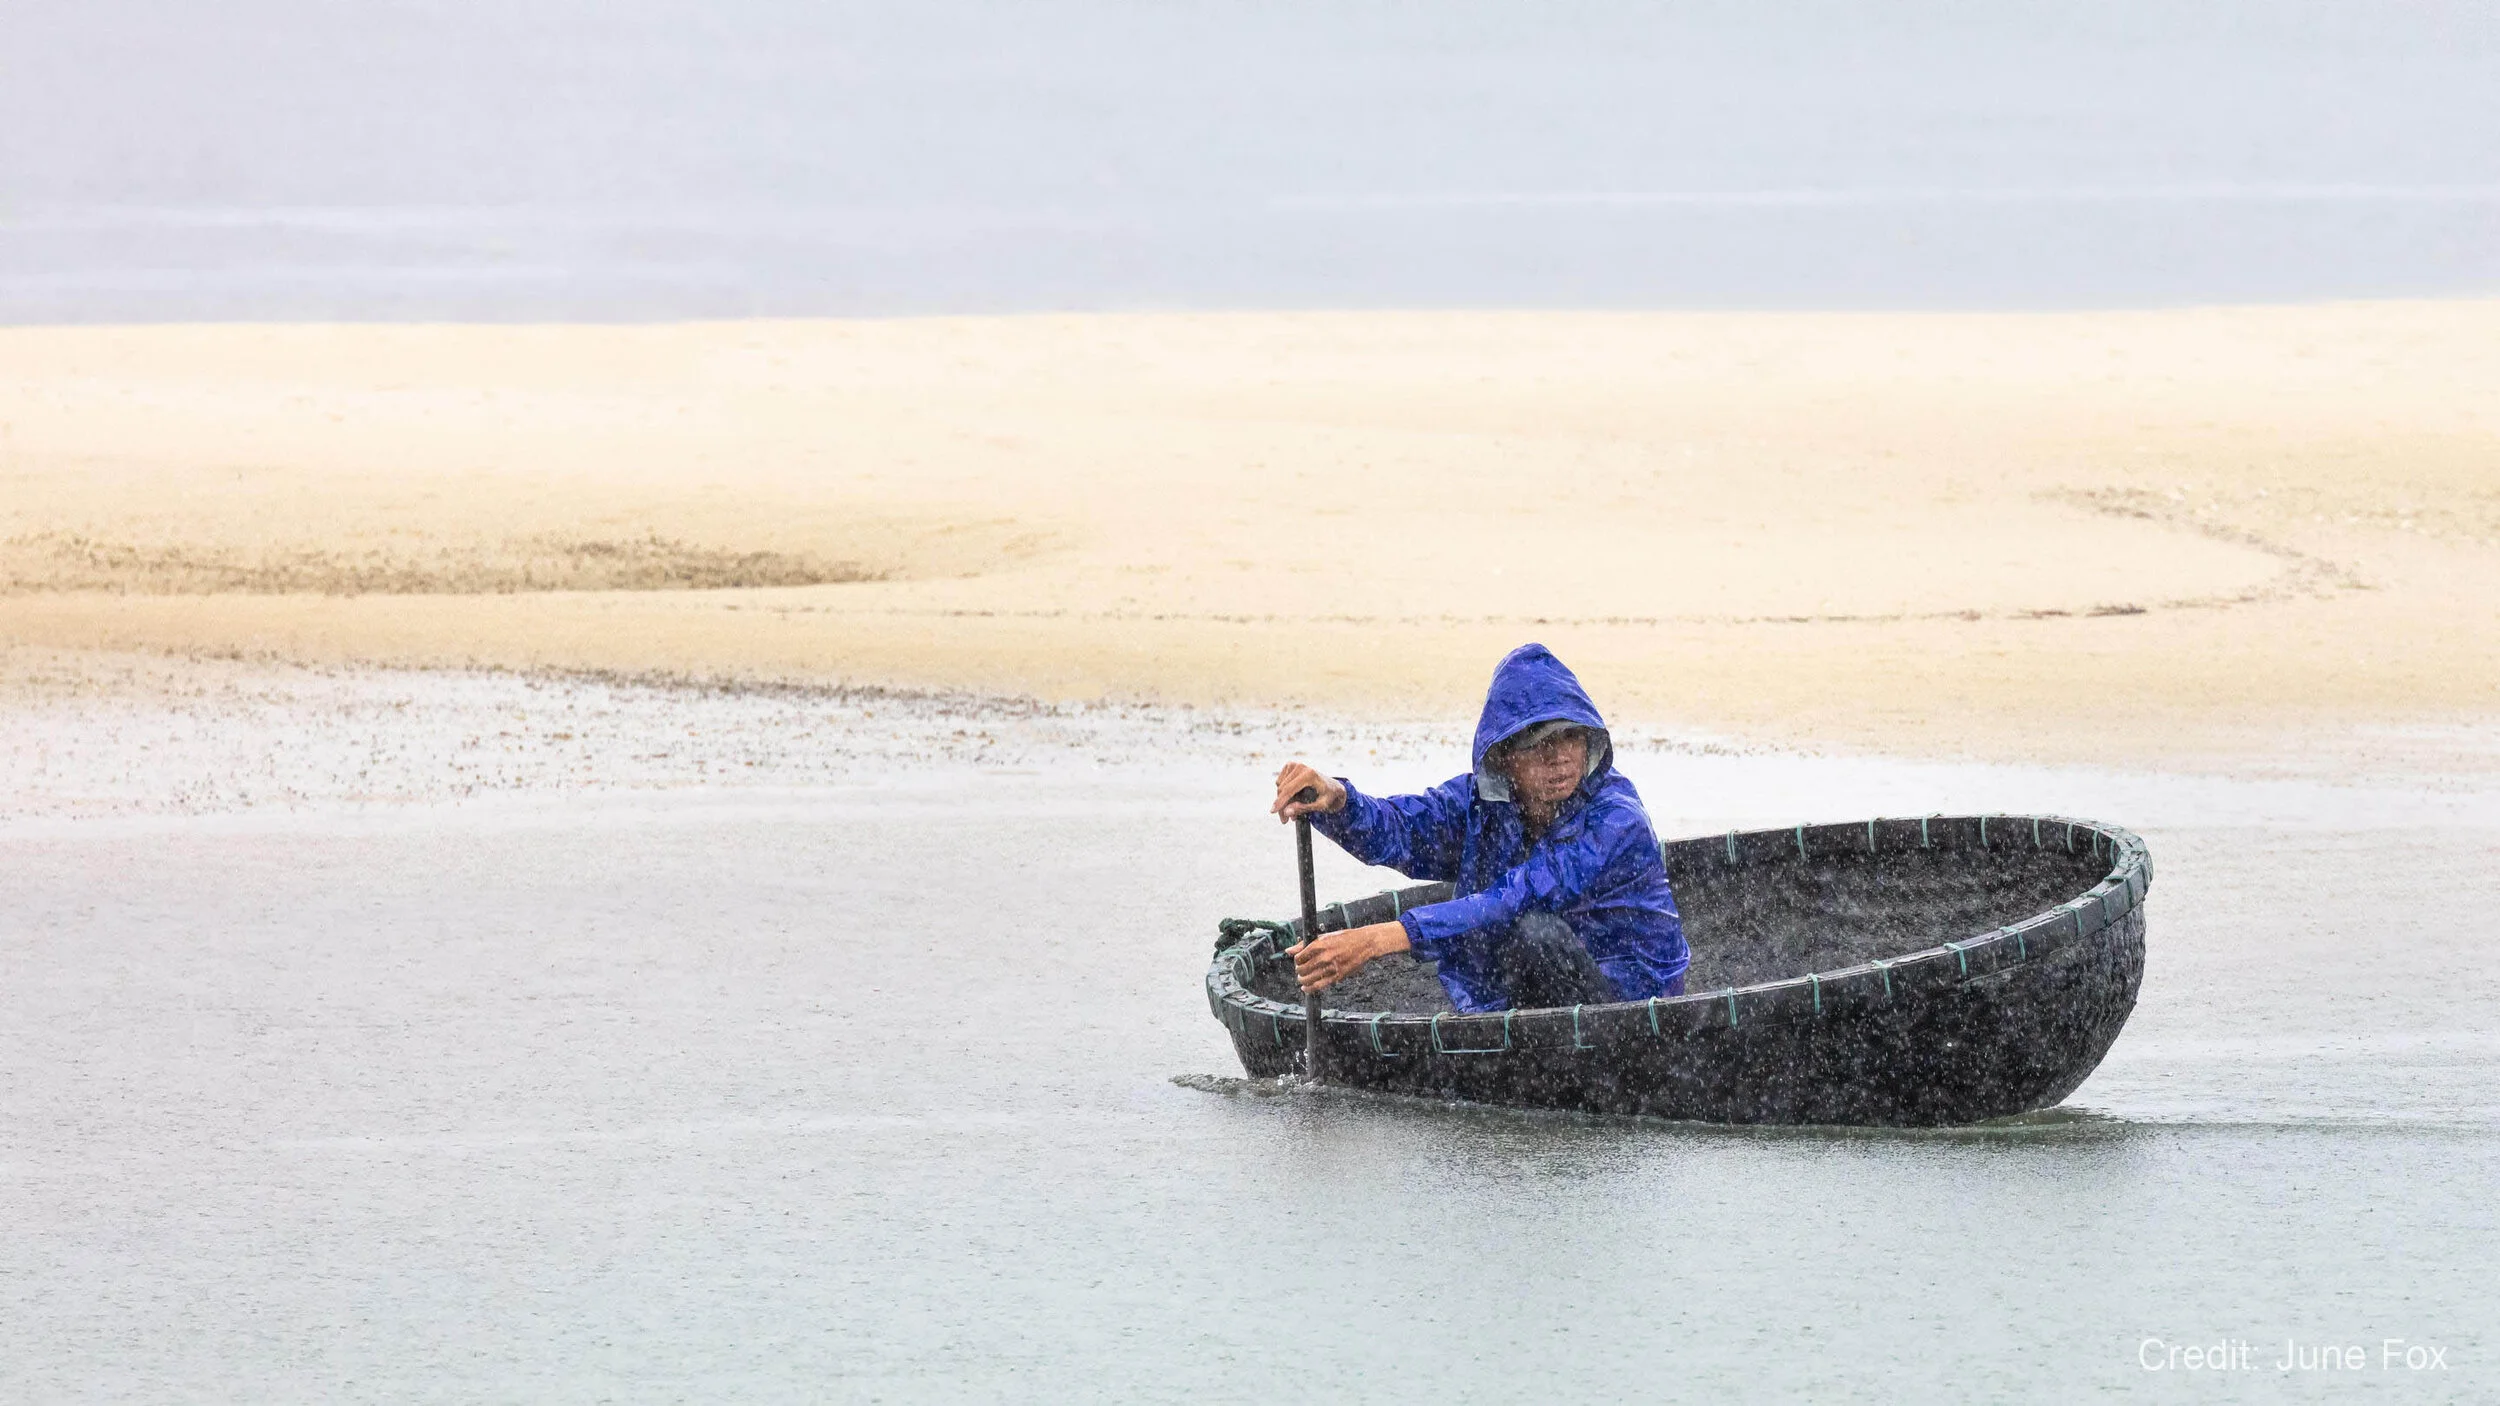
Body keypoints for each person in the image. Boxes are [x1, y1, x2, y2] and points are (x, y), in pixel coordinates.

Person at [1268, 643, 1689, 1014]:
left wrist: (1377, 939)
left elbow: (1517, 898)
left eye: (1571, 738)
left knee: (1534, 933)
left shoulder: (1617, 819)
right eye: (1540, 742)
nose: (1560, 757)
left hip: (1628, 1004)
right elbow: (1400, 831)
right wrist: (1337, 799)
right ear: (1504, 756)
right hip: (1521, 990)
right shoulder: (1479, 804)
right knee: (1523, 939)